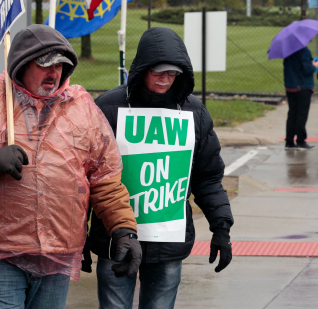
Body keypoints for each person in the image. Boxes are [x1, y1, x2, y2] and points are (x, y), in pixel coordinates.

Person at [0, 24, 141, 309]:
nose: (54, 73)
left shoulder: (81, 108)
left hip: (58, 253)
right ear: (22, 63)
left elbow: (105, 179)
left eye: (61, 65)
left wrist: (124, 230)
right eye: (45, 64)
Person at [85, 27, 234, 309]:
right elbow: (87, 178)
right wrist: (78, 236)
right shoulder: (108, 107)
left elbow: (208, 177)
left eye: (173, 74)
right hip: (115, 237)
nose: (166, 79)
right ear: (143, 69)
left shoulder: (194, 112)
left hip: (168, 243)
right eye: (159, 72)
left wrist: (221, 228)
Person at [283, 46, 316, 150]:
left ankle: (289, 141)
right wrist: (314, 66)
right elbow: (307, 69)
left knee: (292, 113)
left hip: (290, 87)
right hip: (303, 86)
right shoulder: (304, 51)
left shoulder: (288, 51)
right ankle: (301, 140)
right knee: (302, 114)